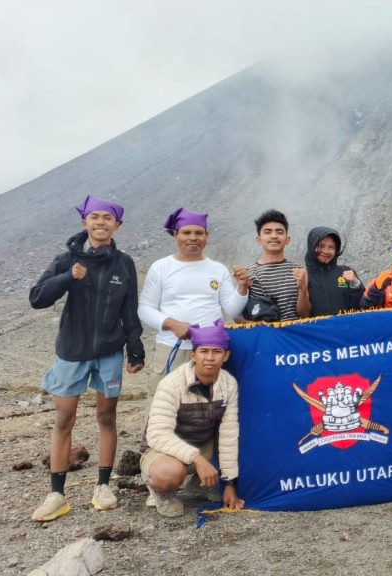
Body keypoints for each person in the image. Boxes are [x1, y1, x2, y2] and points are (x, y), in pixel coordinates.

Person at [29, 195, 145, 522]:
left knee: (107, 418)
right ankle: (56, 494)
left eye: (108, 218)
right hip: (71, 352)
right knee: (64, 419)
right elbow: (37, 298)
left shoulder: (123, 263)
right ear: (84, 222)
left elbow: (129, 310)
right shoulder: (66, 260)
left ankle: (103, 486)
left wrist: (135, 348)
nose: (101, 222)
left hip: (109, 352)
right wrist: (68, 277)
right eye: (95, 217)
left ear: (117, 225)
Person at [138, 208, 249, 399]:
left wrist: (242, 288)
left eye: (199, 233)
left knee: (206, 408)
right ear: (175, 235)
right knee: (163, 406)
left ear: (206, 236)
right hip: (171, 347)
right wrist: (172, 324)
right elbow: (145, 308)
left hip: (209, 352)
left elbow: (232, 308)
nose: (193, 238)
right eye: (186, 233)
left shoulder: (217, 269)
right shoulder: (161, 267)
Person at [140, 319, 244, 517]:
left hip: (202, 446)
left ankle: (200, 484)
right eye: (204, 351)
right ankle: (162, 491)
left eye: (217, 352)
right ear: (193, 355)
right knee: (168, 474)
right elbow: (157, 435)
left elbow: (228, 434)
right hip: (163, 451)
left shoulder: (228, 383)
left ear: (226, 356)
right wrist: (196, 459)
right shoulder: (172, 383)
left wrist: (230, 483)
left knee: (244, 442)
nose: (210, 358)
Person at [245, 209, 311, 321]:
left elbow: (304, 314)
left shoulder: (299, 271)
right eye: (268, 232)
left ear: (287, 240)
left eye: (280, 232)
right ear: (258, 240)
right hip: (266, 334)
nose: (274, 236)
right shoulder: (248, 273)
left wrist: (302, 289)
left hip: (293, 333)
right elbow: (238, 316)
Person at [304, 226, 364, 316]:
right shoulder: (302, 276)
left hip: (344, 328)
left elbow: (363, 306)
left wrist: (356, 285)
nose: (326, 251)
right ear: (311, 246)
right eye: (321, 246)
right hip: (315, 329)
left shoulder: (346, 272)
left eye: (331, 247)